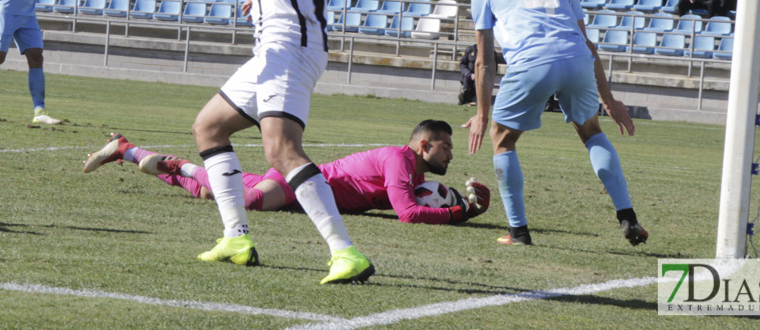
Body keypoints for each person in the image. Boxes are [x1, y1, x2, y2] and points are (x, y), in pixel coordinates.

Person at [117, 0, 373, 284]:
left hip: (287, 41)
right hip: (294, 37)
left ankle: (346, 251)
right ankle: (236, 236)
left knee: (281, 150)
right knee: (209, 127)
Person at [464, 0, 646, 248]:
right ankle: (628, 216)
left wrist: (481, 114)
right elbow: (588, 44)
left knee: (502, 138)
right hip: (576, 59)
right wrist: (610, 101)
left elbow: (484, 61)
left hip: (532, 62)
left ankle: (518, 232)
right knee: (591, 131)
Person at [86, 121, 490, 225]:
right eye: (446, 146)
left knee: (210, 193)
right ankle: (181, 164)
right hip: (303, 182)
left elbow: (423, 200)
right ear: (424, 146)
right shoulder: (398, 159)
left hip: (304, 196)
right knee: (249, 201)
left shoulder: (418, 177)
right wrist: (460, 214)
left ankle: (126, 149)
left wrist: (463, 200)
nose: (451, 154)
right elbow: (408, 213)